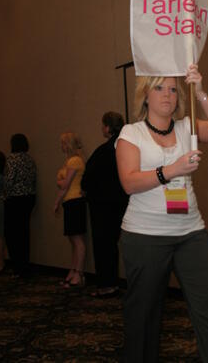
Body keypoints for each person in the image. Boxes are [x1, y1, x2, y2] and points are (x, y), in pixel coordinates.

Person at [116, 63, 208, 363]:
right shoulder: (132, 132)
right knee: (143, 318)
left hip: (190, 234)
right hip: (144, 237)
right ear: (145, 95)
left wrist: (201, 92)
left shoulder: (186, 127)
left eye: (172, 89)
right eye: (159, 88)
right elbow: (129, 182)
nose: (167, 95)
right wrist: (172, 170)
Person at [81, 112, 129, 297]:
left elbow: (87, 179)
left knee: (103, 245)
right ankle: (115, 284)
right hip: (123, 203)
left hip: (102, 206)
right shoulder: (126, 148)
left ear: (108, 128)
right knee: (116, 244)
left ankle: (107, 284)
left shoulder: (103, 151)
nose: (102, 129)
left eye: (103, 125)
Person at [54, 132, 87, 288]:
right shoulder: (68, 161)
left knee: (78, 240)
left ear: (68, 144)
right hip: (70, 202)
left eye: (63, 143)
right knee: (73, 240)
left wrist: (59, 181)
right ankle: (73, 271)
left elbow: (65, 184)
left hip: (75, 202)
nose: (61, 146)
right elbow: (63, 188)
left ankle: (79, 274)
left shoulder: (75, 160)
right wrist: (57, 203)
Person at [3, 133, 37, 277]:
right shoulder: (29, 159)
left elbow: (9, 181)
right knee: (23, 232)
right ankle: (25, 265)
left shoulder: (12, 159)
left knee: (12, 233)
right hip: (28, 198)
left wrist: (4, 196)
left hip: (15, 199)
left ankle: (17, 266)